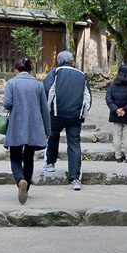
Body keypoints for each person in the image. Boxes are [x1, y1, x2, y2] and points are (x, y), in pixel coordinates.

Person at [2, 58, 51, 204]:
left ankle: (20, 180)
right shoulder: (38, 84)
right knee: (28, 157)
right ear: (29, 70)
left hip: (17, 125)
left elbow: (7, 104)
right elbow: (44, 108)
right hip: (34, 126)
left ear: (17, 70)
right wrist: (47, 130)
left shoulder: (12, 83)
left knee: (15, 156)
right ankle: (26, 188)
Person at [43, 51, 92, 191]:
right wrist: (83, 114)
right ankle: (75, 178)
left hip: (56, 114)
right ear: (72, 61)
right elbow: (87, 97)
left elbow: (48, 91)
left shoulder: (55, 73)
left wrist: (47, 111)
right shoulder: (81, 75)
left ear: (58, 61)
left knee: (52, 137)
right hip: (75, 116)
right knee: (74, 144)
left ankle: (50, 164)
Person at [105, 63, 127, 163]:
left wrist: (116, 109)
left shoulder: (113, 84)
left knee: (117, 135)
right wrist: (125, 109)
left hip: (115, 114)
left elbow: (108, 98)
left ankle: (118, 156)